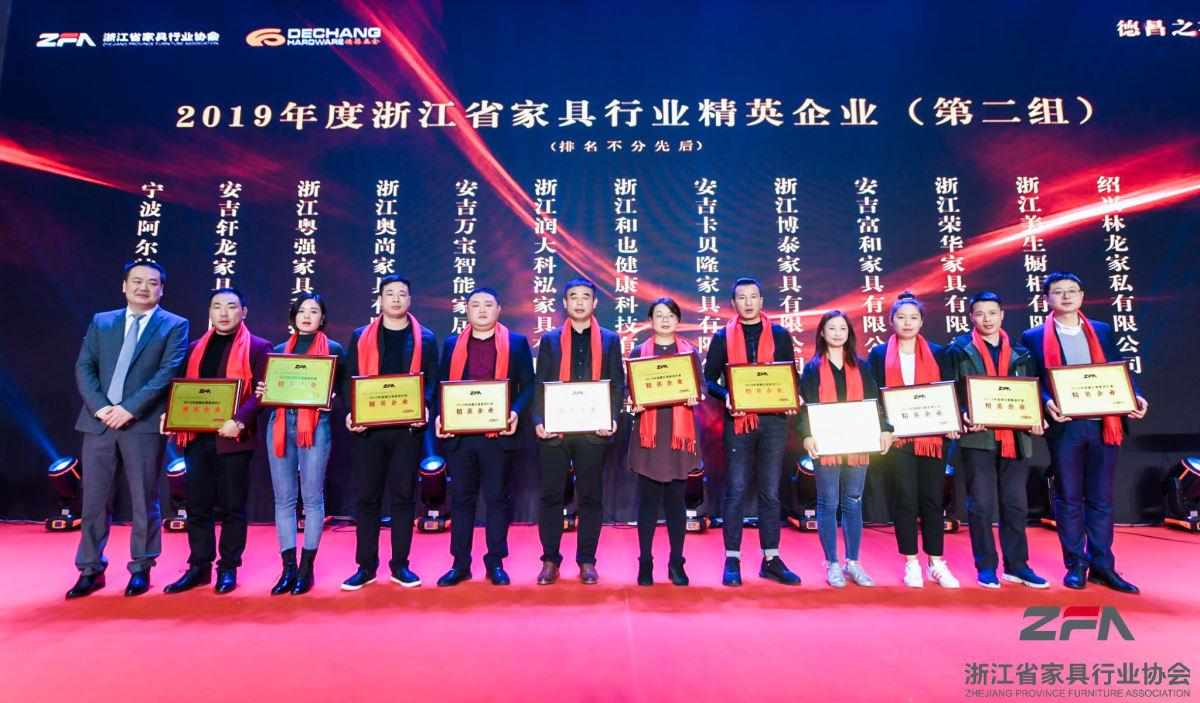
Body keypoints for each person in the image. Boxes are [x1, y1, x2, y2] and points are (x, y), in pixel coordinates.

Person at [67, 261, 189, 599]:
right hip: (99, 423)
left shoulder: (175, 325)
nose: (143, 288)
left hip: (142, 424)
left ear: (161, 289)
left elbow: (167, 372)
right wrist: (102, 408)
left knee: (144, 499)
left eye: (151, 283)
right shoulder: (102, 321)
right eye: (136, 281)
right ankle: (90, 569)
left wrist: (129, 409)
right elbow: (84, 366)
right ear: (124, 286)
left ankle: (141, 567)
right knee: (93, 501)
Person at [1021, 272, 1148, 594]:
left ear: (1081, 295)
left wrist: (1135, 395)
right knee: (1069, 498)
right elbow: (1033, 380)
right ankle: (1075, 564)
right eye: (1058, 292)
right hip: (1066, 427)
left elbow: (1119, 370)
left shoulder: (1101, 330)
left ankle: (1103, 566)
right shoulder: (1033, 336)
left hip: (1105, 424)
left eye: (1072, 291)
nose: (1066, 296)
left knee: (1101, 498)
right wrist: (1046, 402)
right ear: (1046, 299)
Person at [163, 288, 272, 595]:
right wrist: (172, 415)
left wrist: (240, 420)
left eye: (231, 306)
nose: (224, 313)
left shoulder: (259, 347)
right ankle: (198, 567)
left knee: (233, 506)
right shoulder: (194, 348)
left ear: (244, 312)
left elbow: (262, 392)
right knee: (197, 505)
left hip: (235, 438)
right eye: (217, 306)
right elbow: (183, 390)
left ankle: (228, 568)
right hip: (196, 438)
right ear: (209, 312)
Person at [341, 274, 439, 591]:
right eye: (390, 294)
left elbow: (432, 379)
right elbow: (349, 378)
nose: (396, 299)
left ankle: (400, 565)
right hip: (368, 430)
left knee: (403, 497)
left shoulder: (425, 338)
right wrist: (351, 412)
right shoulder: (361, 336)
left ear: (410, 300)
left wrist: (425, 406)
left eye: (402, 294)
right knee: (367, 497)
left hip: (407, 430)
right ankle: (366, 566)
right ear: (380, 299)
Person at [944, 292, 1048, 590]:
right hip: (978, 437)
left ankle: (1017, 565)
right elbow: (950, 391)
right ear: (971, 317)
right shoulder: (958, 350)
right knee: (980, 505)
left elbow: (1031, 391)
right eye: (980, 313)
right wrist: (964, 413)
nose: (986, 319)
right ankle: (986, 566)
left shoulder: (1021, 352)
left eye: (992, 313)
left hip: (1016, 437)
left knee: (1016, 504)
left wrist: (1036, 415)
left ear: (1002, 315)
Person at [703, 276, 801, 587]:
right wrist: (727, 396)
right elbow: (709, 379)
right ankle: (732, 558)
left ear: (761, 301)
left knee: (770, 492)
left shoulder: (780, 335)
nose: (748, 302)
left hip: (774, 423)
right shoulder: (722, 337)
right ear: (733, 303)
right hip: (738, 422)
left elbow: (790, 375)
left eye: (753, 296)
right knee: (736, 490)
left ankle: (771, 559)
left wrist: (792, 397)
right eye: (742, 297)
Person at [433, 287, 534, 587]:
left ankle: (495, 562)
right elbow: (442, 384)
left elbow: (529, 385)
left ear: (498, 309)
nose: (481, 310)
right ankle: (460, 564)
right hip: (461, 435)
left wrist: (515, 412)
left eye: (488, 305)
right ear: (466, 310)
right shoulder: (452, 344)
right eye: (475, 305)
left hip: (498, 434)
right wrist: (440, 416)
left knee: (496, 499)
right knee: (461, 499)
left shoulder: (516, 343)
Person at [532, 277, 625, 585]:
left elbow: (617, 384)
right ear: (565, 303)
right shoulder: (550, 339)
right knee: (551, 495)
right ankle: (550, 560)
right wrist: (538, 420)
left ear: (595, 302)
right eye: (574, 296)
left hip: (592, 429)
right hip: (555, 429)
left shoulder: (610, 339)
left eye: (586, 296)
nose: (580, 302)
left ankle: (587, 560)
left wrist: (612, 417)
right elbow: (540, 383)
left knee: (590, 496)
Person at [867, 292, 960, 589]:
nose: (907, 323)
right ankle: (911, 562)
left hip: (933, 438)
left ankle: (936, 562)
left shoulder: (939, 353)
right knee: (905, 499)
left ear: (921, 321)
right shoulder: (879, 354)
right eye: (901, 317)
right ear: (891, 321)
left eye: (913, 317)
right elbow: (874, 396)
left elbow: (950, 391)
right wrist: (884, 426)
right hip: (899, 439)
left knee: (932, 499)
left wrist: (951, 422)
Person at [256, 293, 346, 596]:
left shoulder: (334, 350)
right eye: (301, 311)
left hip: (316, 425)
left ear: (323, 318)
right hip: (280, 423)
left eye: (314, 311)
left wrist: (331, 396)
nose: (307, 316)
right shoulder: (279, 351)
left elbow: (343, 389)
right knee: (283, 499)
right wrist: (264, 390)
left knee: (312, 498)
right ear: (293, 316)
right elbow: (269, 390)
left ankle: (307, 569)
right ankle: (288, 568)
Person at [799, 311, 893, 588]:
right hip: (825, 444)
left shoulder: (861, 367)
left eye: (843, 328)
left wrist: (885, 428)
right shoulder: (812, 369)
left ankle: (853, 561)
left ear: (849, 333)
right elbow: (804, 408)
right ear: (822, 333)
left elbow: (875, 402)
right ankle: (832, 563)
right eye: (832, 328)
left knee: (853, 501)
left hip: (857, 442)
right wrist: (806, 435)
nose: (838, 333)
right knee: (828, 503)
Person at [626, 298, 701, 587]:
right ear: (650, 320)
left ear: (678, 320)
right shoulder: (638, 352)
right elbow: (630, 390)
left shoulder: (689, 353)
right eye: (659, 315)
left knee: (675, 503)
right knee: (647, 502)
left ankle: (676, 563)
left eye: (670, 315)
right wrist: (633, 401)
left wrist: (695, 395)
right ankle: (645, 562)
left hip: (678, 436)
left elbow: (702, 387)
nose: (665, 320)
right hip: (650, 436)